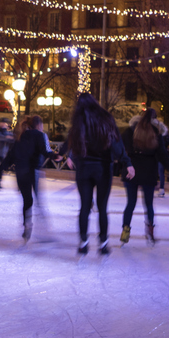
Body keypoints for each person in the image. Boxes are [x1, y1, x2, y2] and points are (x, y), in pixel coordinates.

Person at [62, 93, 134, 256]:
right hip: (103, 168)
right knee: (102, 208)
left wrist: (64, 154)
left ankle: (83, 243)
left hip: (84, 168)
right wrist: (126, 162)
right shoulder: (106, 119)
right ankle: (103, 244)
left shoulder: (79, 122)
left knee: (85, 207)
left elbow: (70, 141)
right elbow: (116, 144)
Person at [120, 109, 169, 246]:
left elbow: (121, 147)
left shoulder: (130, 130)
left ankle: (125, 231)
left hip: (131, 170)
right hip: (149, 171)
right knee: (148, 204)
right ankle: (150, 232)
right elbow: (162, 152)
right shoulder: (156, 130)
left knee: (130, 203)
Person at [1, 115, 53, 242]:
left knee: (27, 200)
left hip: (20, 172)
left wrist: (1, 168)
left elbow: (11, 154)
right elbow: (46, 151)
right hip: (32, 171)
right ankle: (43, 231)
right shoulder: (40, 135)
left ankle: (27, 227)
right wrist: (57, 156)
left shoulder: (20, 136)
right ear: (39, 125)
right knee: (38, 201)